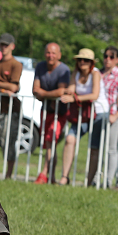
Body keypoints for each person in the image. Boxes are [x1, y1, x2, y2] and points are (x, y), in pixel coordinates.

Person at [56, 49, 108, 186]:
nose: (82, 63)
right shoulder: (76, 73)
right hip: (82, 114)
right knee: (69, 139)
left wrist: (74, 98)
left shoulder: (96, 74)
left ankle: (88, 182)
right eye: (80, 60)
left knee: (94, 147)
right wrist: (67, 92)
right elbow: (70, 90)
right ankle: (64, 177)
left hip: (99, 113)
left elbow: (94, 95)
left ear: (91, 62)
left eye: (86, 60)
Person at [32, 42, 71, 184]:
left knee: (51, 138)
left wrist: (44, 93)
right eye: (48, 52)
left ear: (59, 55)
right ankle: (52, 177)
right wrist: (51, 95)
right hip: (46, 110)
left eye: (54, 53)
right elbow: (35, 90)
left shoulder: (63, 70)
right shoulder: (40, 67)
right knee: (49, 143)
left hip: (59, 113)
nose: (51, 55)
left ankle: (44, 173)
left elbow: (62, 91)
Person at [0, 33, 23, 178]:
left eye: (6, 45)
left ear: (12, 47)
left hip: (11, 110)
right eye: (1, 45)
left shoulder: (16, 64)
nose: (3, 47)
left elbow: (14, 87)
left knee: (8, 141)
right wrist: (4, 88)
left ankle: (9, 175)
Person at [100, 46, 118, 189]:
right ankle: (96, 179)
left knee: (112, 149)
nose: (108, 59)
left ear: (117, 60)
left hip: (115, 114)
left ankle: (108, 181)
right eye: (106, 56)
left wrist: (117, 115)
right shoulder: (98, 73)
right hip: (99, 114)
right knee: (97, 147)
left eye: (112, 56)